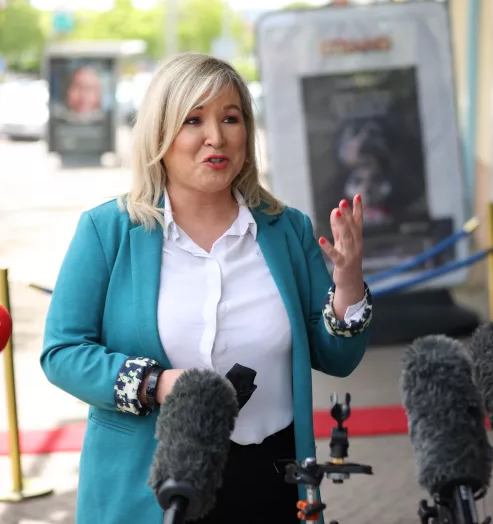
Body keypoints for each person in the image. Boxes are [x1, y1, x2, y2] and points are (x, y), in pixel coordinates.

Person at [40, 53, 374, 524]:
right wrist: (157, 384)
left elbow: (338, 359)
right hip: (150, 488)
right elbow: (62, 353)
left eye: (230, 118)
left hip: (272, 481)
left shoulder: (287, 230)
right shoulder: (107, 230)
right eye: (194, 119)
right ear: (161, 132)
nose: (215, 136)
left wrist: (348, 281)